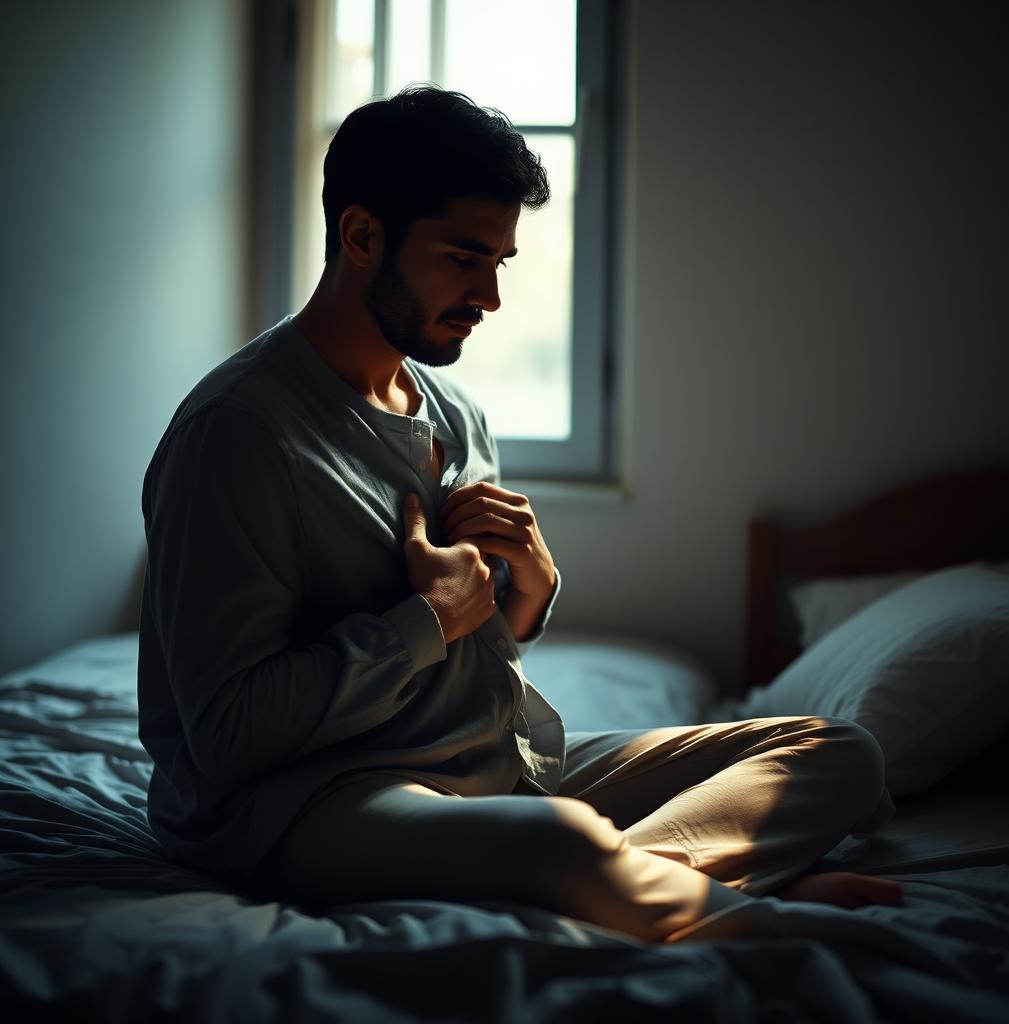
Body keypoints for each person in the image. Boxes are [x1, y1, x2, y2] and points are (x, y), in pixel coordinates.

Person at [137, 84, 902, 944]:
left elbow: (478, 638)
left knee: (838, 754)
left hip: (487, 761)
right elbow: (227, 737)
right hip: (314, 799)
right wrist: (428, 620)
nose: (490, 298)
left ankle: (623, 880)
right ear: (361, 236)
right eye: (463, 258)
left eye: (498, 263)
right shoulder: (236, 435)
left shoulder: (454, 411)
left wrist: (524, 601)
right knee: (560, 840)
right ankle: (737, 909)